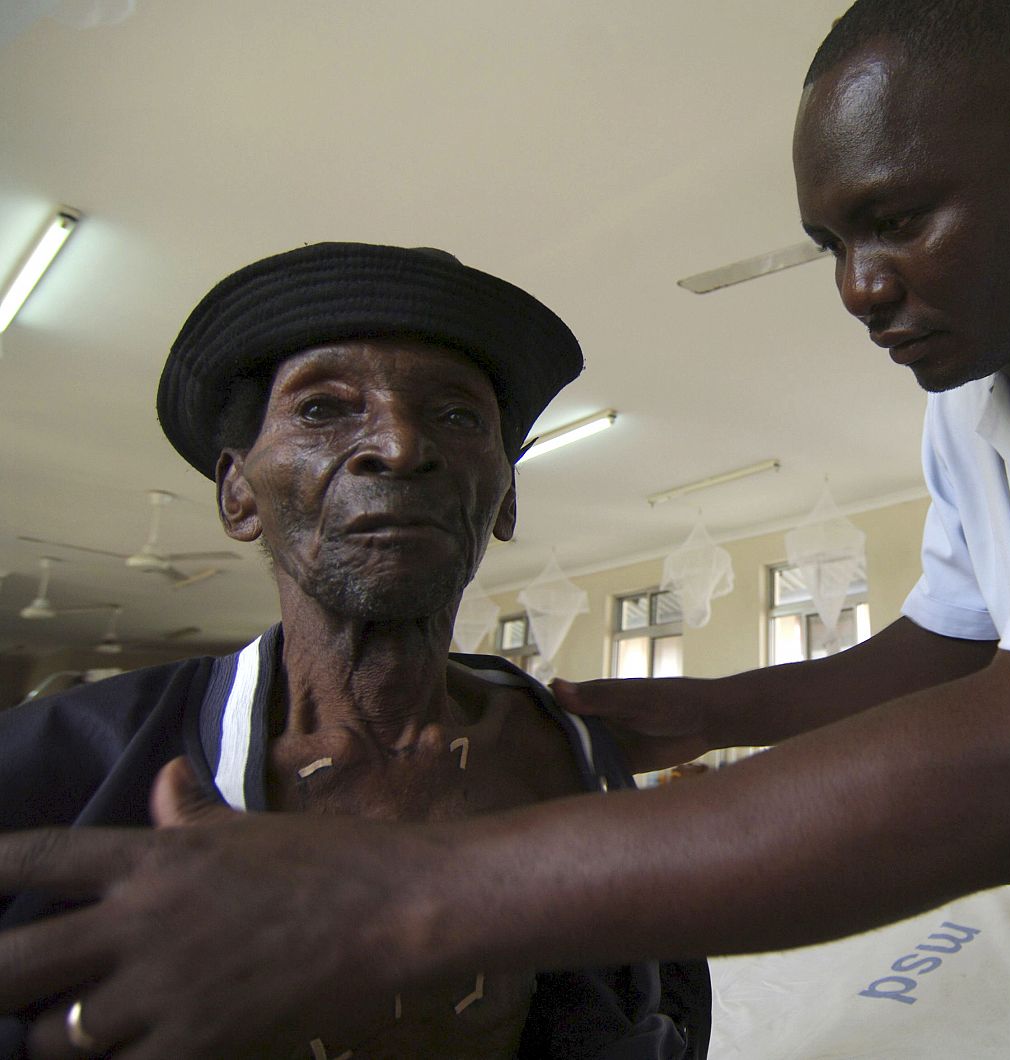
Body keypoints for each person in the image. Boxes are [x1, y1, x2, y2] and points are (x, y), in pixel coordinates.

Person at [3, 2, 1010, 1057]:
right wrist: (685, 712)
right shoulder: (971, 403)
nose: (858, 287)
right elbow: (941, 651)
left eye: (898, 219)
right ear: (233, 486)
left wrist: (383, 899)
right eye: (832, 243)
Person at [0, 242, 711, 1059]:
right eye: (323, 408)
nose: (402, 447)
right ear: (238, 495)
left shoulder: (571, 751)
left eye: (456, 415)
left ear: (506, 498)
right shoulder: (58, 771)